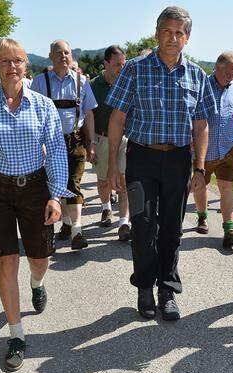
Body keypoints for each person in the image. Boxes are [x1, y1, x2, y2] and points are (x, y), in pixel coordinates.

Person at [0, 38, 73, 371]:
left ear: (27, 65)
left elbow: (55, 153)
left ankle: (37, 284)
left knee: (39, 259)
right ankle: (16, 335)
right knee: (6, 263)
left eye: (18, 61)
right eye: (4, 61)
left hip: (35, 190)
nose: (11, 67)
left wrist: (55, 195)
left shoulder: (43, 105)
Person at [106, 6, 216, 321]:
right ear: (157, 33)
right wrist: (114, 165)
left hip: (179, 161)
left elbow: (201, 125)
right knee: (141, 226)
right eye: (167, 31)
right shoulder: (135, 69)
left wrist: (199, 167)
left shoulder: (196, 74)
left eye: (179, 33)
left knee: (171, 229)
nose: (172, 38)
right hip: (141, 158)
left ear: (188, 38)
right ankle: (144, 287)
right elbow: (117, 119)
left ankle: (167, 290)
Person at [31, 39, 97, 250]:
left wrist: (91, 143)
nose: (64, 56)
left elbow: (88, 114)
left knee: (73, 184)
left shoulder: (82, 81)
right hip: (50, 143)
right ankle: (66, 224)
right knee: (55, 186)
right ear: (51, 56)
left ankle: (77, 230)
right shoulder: (40, 82)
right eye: (59, 53)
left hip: (75, 140)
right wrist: (38, 143)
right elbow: (34, 116)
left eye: (67, 52)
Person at [193, 51, 233, 248]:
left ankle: (229, 229)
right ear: (217, 67)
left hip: (228, 150)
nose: (231, 76)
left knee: (227, 187)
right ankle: (201, 216)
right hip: (204, 151)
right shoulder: (202, 87)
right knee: (201, 186)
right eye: (227, 71)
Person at [89, 45, 130, 239]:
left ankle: (124, 222)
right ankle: (106, 208)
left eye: (123, 64)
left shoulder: (129, 84)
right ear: (106, 63)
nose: (121, 68)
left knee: (124, 179)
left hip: (124, 139)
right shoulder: (93, 86)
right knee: (104, 179)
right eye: (116, 64)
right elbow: (88, 116)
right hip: (102, 137)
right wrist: (91, 143)